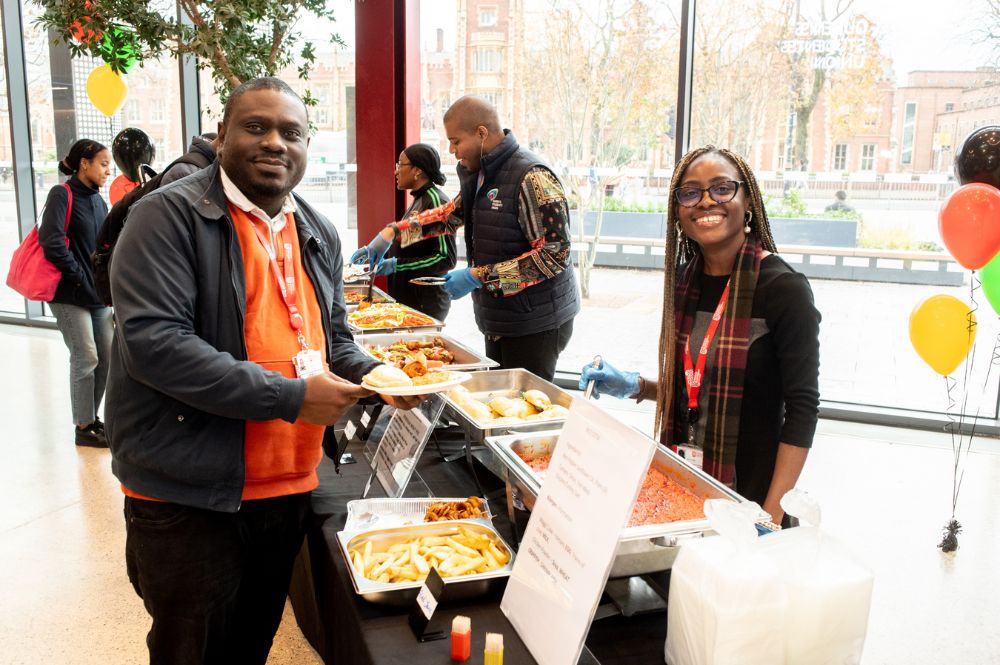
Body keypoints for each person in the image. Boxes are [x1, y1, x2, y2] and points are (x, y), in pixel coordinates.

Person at [105, 77, 422, 664]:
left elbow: (335, 338)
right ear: (221, 134)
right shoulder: (165, 218)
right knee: (191, 650)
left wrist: (376, 374)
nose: (275, 142)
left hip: (287, 487)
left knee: (250, 643)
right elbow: (156, 346)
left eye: (291, 133)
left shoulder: (316, 231)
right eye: (257, 127)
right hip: (189, 493)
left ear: (307, 146)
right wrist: (291, 396)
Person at [580, 146, 820, 526]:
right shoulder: (683, 282)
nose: (706, 201)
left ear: (749, 201)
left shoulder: (784, 289)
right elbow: (700, 383)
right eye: (690, 192)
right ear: (678, 212)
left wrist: (771, 515)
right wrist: (637, 386)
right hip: (684, 483)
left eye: (722, 188)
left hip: (752, 494)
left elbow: (803, 410)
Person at [353, 96, 580, 381]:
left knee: (523, 405)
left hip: (537, 320)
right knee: (499, 396)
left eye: (456, 141)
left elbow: (554, 256)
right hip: (500, 316)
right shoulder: (482, 175)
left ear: (482, 133)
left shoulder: (533, 177)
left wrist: (480, 277)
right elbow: (449, 216)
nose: (451, 150)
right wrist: (390, 233)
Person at [39, 139, 113, 447]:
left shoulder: (99, 201)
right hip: (69, 293)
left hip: (95, 294)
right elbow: (51, 241)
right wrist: (81, 277)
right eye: (104, 164)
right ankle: (83, 427)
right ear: (84, 163)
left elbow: (105, 246)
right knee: (86, 357)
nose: (108, 171)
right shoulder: (61, 194)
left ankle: (92, 418)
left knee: (106, 358)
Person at [353, 143, 456, 321]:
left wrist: (395, 265)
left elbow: (445, 258)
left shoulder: (435, 201)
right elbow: (416, 240)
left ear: (417, 170)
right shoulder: (419, 199)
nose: (396, 171)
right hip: (410, 298)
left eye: (400, 165)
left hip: (426, 302)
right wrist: (382, 247)